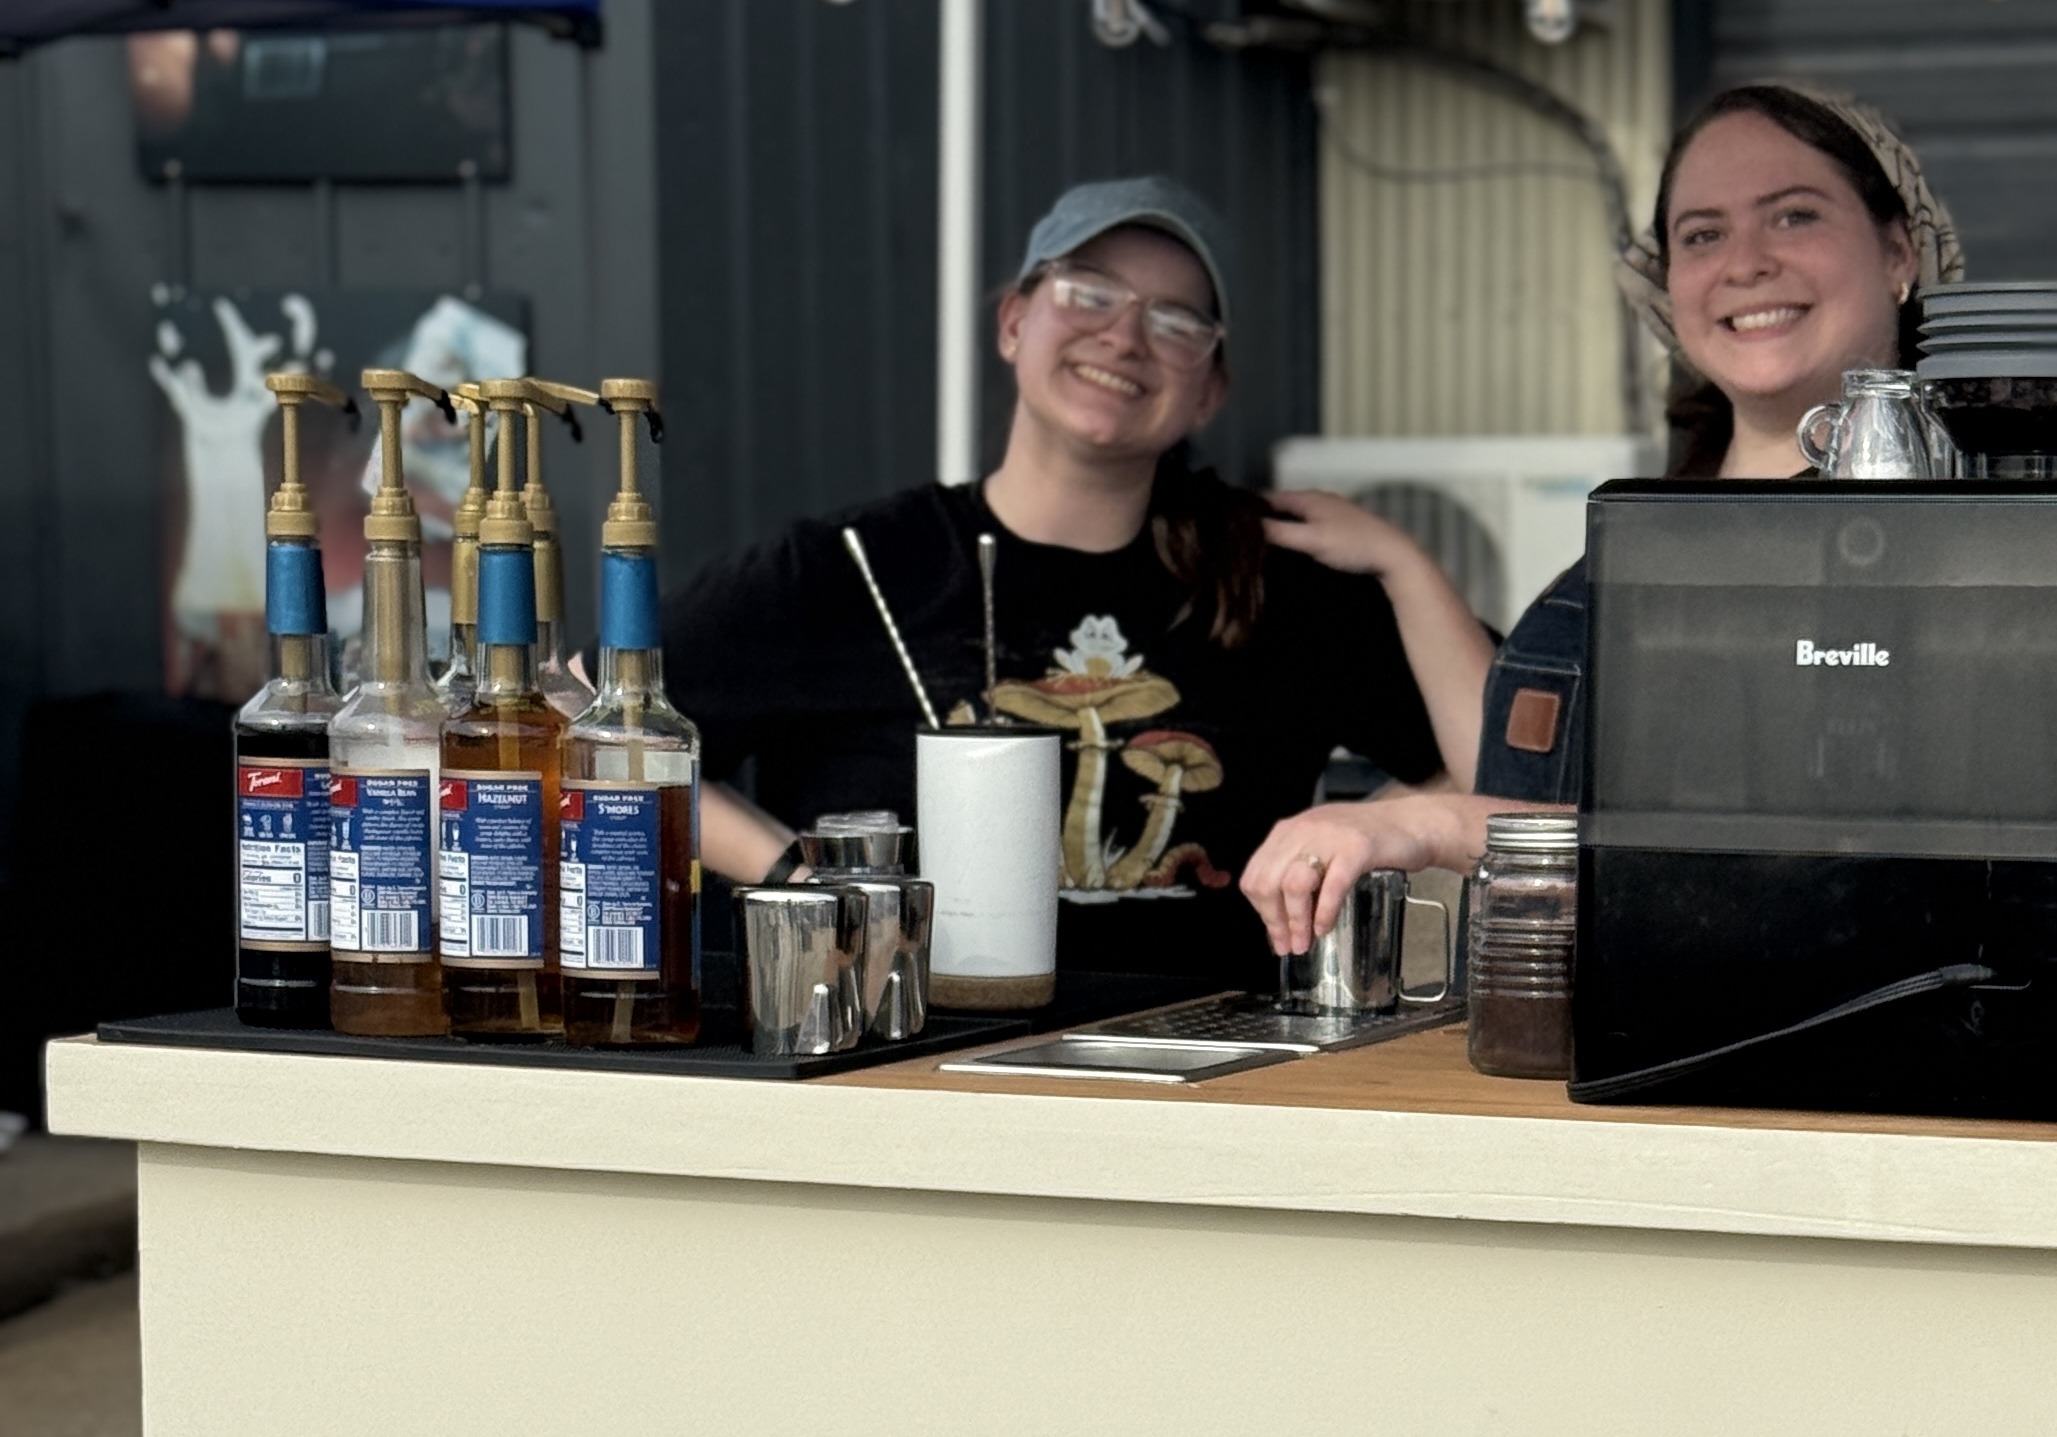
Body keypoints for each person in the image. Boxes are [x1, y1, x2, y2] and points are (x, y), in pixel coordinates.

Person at [674, 176, 1494, 987]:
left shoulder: (1271, 576)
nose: (1125, 337)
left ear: (1209, 388)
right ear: (1014, 322)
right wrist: (792, 877)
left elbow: (1515, 791)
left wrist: (1406, 566)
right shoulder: (851, 565)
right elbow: (592, 717)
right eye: (1089, 293)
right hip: (903, 1065)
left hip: (1212, 1069)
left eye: (1176, 320)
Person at [1235, 82, 1966, 959]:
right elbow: (1520, 782)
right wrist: (1405, 567)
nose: (1745, 262)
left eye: (1794, 216)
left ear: (1898, 252)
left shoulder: (1963, 547)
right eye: (1702, 235)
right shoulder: (1636, 548)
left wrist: (1428, 824)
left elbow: (1771, 860)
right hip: (1597, 1069)